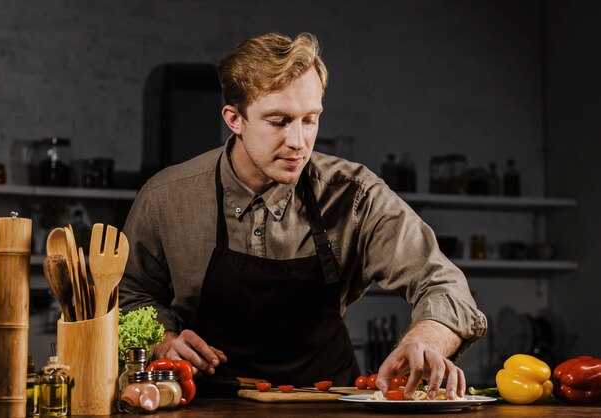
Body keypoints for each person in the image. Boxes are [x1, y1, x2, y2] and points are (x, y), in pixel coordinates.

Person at [120, 32, 487, 400]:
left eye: (309, 120)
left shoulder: (355, 195)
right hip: (207, 402)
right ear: (234, 119)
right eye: (279, 121)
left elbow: (444, 286)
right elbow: (130, 295)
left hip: (327, 401)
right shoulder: (167, 196)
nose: (298, 141)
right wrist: (162, 342)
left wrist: (424, 340)